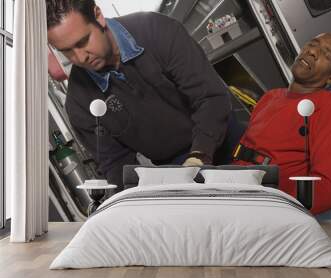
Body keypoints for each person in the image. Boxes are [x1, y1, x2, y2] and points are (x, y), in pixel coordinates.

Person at [46, 0, 239, 188]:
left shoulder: (157, 30)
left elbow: (210, 98)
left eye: (83, 41)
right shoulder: (80, 104)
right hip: (175, 169)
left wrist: (199, 156)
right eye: (67, 51)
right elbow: (115, 165)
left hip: (228, 141)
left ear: (98, 16)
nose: (80, 57)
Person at [233, 33, 331, 214]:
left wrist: (279, 211)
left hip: (263, 206)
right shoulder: (270, 97)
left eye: (326, 55)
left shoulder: (330, 107)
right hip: (232, 189)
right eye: (313, 43)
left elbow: (328, 190)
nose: (313, 52)